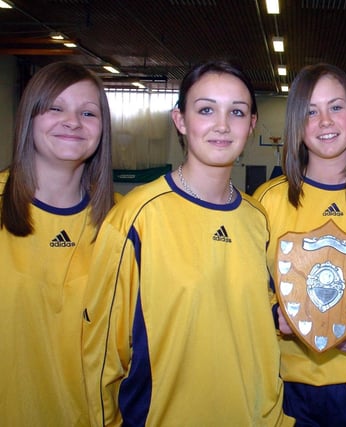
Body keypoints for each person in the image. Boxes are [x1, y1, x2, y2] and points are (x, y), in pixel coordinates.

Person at [81, 60, 293, 426]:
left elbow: (260, 328)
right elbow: (100, 356)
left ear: (252, 125)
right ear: (180, 120)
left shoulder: (258, 219)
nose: (222, 125)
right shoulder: (135, 218)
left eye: (237, 112)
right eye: (206, 109)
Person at [253, 63, 346, 426]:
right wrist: (275, 313)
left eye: (336, 107)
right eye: (310, 111)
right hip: (287, 388)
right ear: (296, 124)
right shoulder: (268, 201)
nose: (325, 122)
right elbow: (249, 287)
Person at [0, 61, 115, 425]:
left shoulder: (123, 220)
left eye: (88, 112)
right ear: (29, 118)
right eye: (55, 107)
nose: (73, 121)